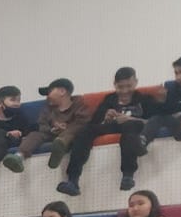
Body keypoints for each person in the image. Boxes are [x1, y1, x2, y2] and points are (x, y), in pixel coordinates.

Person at [60, 66, 152, 194]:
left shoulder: (144, 99)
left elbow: (153, 121)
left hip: (133, 126)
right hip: (112, 125)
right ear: (115, 85)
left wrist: (130, 119)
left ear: (136, 82)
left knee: (131, 128)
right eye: (120, 87)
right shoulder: (110, 99)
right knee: (85, 131)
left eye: (128, 86)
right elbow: (94, 122)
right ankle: (73, 180)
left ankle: (128, 175)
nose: (124, 91)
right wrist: (105, 117)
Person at [15, 78, 93, 178]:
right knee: (35, 134)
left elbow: (83, 121)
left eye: (50, 92)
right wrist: (51, 129)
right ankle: (19, 155)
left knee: (71, 132)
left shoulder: (79, 104)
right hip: (51, 134)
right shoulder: (47, 108)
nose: (47, 96)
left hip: (69, 134)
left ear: (62, 91)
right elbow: (42, 124)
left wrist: (66, 128)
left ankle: (59, 147)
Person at [143, 53, 181, 145]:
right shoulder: (170, 87)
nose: (177, 77)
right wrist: (161, 101)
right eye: (176, 73)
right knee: (156, 119)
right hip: (173, 123)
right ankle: (142, 141)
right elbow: (165, 112)